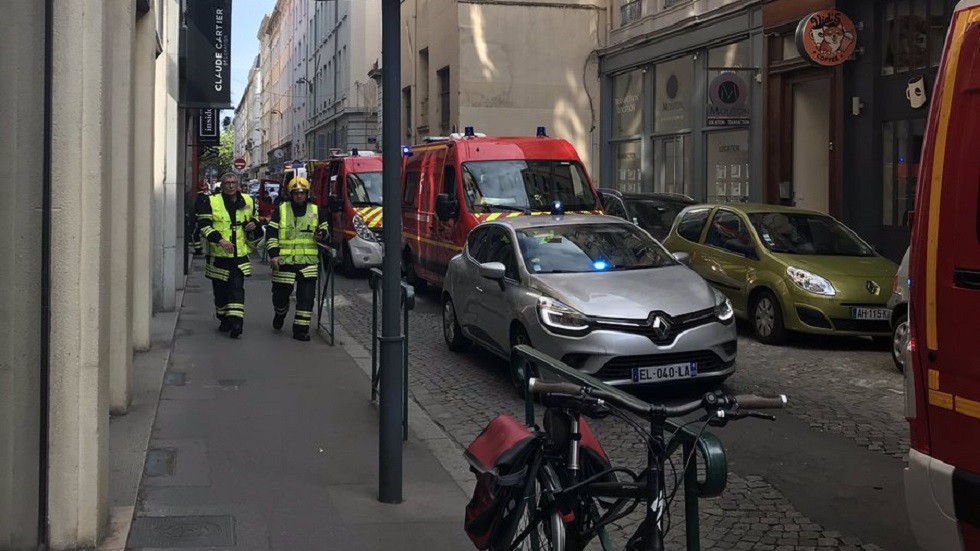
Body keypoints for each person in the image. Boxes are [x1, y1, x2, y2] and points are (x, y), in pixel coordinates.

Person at [196, 172, 262, 339]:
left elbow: (255, 219)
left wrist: (254, 224)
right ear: (222, 185)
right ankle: (223, 318)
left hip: (239, 254)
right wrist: (220, 240)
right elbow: (204, 226)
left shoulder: (248, 200)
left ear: (238, 184)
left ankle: (236, 323)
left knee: (236, 288)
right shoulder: (211, 201)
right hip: (219, 255)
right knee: (220, 292)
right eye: (227, 183)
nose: (231, 186)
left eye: (233, 182)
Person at [265, 176, 329, 341]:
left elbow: (325, 228)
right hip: (284, 262)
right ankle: (280, 313)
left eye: (302, 193)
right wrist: (274, 254)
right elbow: (271, 234)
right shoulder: (281, 210)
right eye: (296, 193)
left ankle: (301, 331)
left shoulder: (316, 210)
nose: (299, 196)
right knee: (279, 297)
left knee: (306, 300)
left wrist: (322, 234)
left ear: (307, 194)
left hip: (308, 263)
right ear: (291, 194)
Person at [189, 180, 210, 256]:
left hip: (200, 219)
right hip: (209, 220)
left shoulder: (199, 198)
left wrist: (195, 220)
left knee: (195, 234)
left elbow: (196, 209)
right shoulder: (210, 197)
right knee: (208, 235)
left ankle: (198, 250)